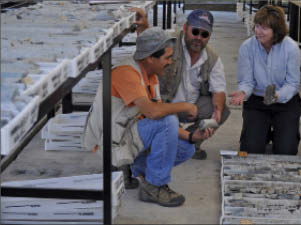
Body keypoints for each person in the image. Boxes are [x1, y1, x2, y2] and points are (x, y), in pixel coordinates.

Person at [83, 27, 214, 207]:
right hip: (109, 141)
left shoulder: (151, 76)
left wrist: (191, 137)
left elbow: (157, 116)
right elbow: (154, 113)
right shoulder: (126, 72)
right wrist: (184, 106)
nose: (170, 62)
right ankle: (153, 186)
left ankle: (135, 170)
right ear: (149, 58)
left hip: (126, 134)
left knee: (186, 148)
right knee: (168, 120)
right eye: (167, 58)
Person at [229, 5, 301, 155]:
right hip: (257, 100)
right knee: (251, 150)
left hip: (285, 101)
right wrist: (243, 92)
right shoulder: (247, 47)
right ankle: (262, 133)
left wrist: (277, 95)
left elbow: (292, 83)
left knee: (286, 152)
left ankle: (277, 134)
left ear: (276, 31)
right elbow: (247, 81)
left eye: (264, 28)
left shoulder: (291, 48)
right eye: (257, 26)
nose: (258, 31)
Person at [158, 9, 230, 160]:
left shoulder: (212, 59)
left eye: (204, 34)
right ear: (185, 28)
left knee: (221, 110)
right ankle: (170, 138)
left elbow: (219, 90)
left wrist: (217, 111)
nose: (199, 37)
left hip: (192, 108)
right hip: (164, 106)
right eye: (195, 31)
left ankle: (191, 143)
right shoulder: (168, 45)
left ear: (209, 36)